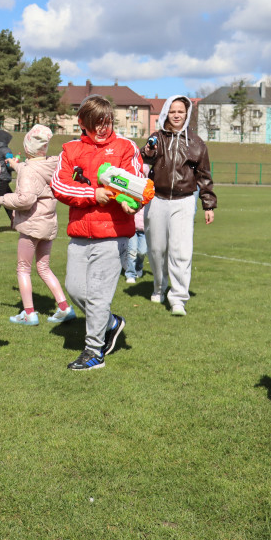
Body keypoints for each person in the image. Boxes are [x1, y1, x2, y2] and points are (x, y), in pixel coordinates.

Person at [50, 94, 142, 370]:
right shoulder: (70, 149)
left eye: (107, 122)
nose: (103, 128)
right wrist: (93, 193)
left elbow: (137, 185)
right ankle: (111, 323)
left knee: (99, 296)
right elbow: (60, 187)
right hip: (79, 235)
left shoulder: (126, 147)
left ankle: (93, 352)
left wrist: (131, 202)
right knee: (75, 290)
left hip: (113, 236)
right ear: (83, 123)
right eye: (97, 123)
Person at [0, 124, 74, 326]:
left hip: (32, 226)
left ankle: (29, 313)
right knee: (44, 267)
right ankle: (64, 307)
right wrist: (14, 164)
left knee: (23, 268)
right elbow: (30, 170)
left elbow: (25, 199)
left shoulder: (29, 171)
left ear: (28, 147)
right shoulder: (48, 164)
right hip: (47, 224)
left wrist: (2, 200)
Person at [140, 96, 216, 316]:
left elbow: (204, 176)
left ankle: (178, 297)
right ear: (166, 112)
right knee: (156, 249)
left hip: (183, 201)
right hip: (157, 199)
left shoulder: (196, 143)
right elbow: (142, 160)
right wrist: (148, 151)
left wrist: (208, 204)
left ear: (187, 113)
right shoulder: (156, 138)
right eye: (172, 111)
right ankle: (159, 286)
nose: (176, 115)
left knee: (181, 250)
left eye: (180, 111)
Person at [124, 200, 148, 284]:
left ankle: (138, 267)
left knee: (142, 252)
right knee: (132, 251)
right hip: (132, 228)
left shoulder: (150, 196)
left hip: (144, 230)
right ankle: (130, 274)